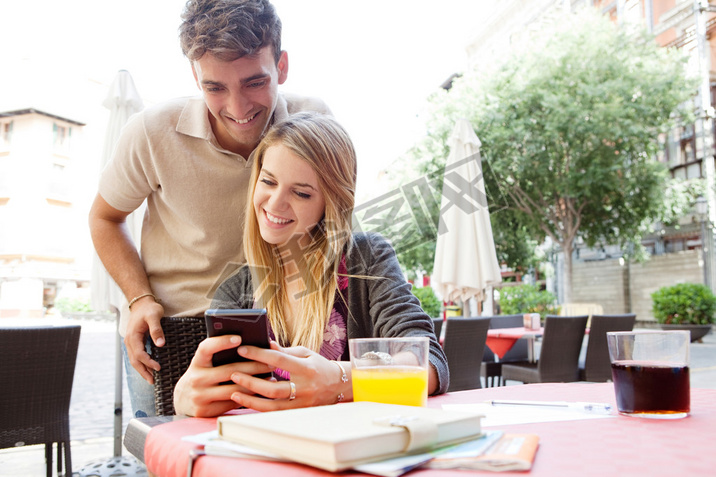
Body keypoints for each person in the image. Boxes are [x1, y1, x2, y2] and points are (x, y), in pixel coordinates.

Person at [88, 0, 331, 417]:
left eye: (255, 82)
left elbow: (334, 221)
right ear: (194, 75)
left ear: (283, 66)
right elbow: (104, 218)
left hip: (285, 332)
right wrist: (139, 299)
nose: (238, 109)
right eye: (215, 87)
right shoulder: (151, 131)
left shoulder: (314, 121)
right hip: (174, 335)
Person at [173, 112, 449, 417]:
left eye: (301, 192)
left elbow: (428, 362)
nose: (275, 203)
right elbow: (218, 392)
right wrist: (187, 397)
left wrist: (341, 380)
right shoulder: (236, 291)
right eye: (268, 181)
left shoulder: (365, 259)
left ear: (331, 203)